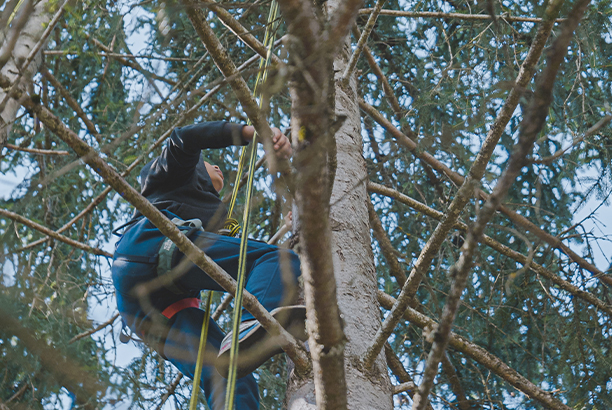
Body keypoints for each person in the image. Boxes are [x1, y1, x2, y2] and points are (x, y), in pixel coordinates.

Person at [111, 122, 306, 410]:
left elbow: (240, 259)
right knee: (278, 260)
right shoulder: (171, 174)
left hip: (152, 314)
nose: (218, 168)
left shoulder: (207, 216)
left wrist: (290, 230)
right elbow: (183, 138)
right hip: (151, 249)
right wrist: (252, 132)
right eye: (210, 163)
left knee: (227, 374)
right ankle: (248, 326)